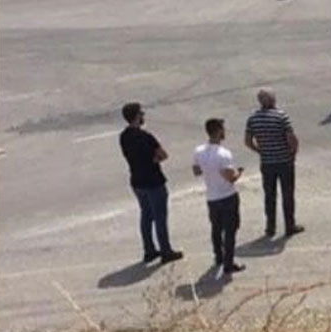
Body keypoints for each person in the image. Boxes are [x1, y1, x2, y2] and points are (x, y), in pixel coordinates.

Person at [119, 102, 183, 264]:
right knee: (160, 217)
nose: (143, 117)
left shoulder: (124, 136)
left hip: (137, 181)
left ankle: (149, 249)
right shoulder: (146, 137)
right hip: (153, 181)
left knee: (146, 215)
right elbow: (163, 155)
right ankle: (165, 250)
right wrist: (154, 159)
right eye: (141, 114)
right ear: (136, 116)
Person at [245, 88, 303, 238]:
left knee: (269, 195)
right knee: (287, 194)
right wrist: (292, 154)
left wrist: (260, 150)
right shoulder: (281, 116)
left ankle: (270, 227)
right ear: (272, 100)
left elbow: (247, 141)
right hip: (284, 161)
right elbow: (292, 139)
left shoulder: (253, 119)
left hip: (267, 162)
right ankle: (289, 225)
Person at [193, 118, 245, 274]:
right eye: (223, 129)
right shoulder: (223, 154)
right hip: (227, 195)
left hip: (211, 196)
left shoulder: (199, 151)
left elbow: (197, 171)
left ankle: (218, 256)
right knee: (230, 230)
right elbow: (231, 177)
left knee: (216, 228)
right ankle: (229, 263)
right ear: (218, 131)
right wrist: (239, 172)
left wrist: (209, 170)